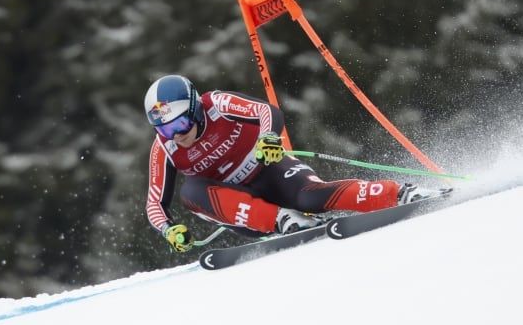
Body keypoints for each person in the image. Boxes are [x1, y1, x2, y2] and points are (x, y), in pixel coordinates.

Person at [144, 75, 439, 252]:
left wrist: (269, 139)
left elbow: (265, 111)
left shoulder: (216, 104)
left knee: (312, 195)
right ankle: (282, 219)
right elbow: (154, 204)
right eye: (165, 129)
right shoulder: (165, 149)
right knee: (190, 193)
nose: (176, 135)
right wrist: (168, 229)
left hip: (271, 171)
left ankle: (400, 193)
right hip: (244, 208)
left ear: (195, 109)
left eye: (180, 124)